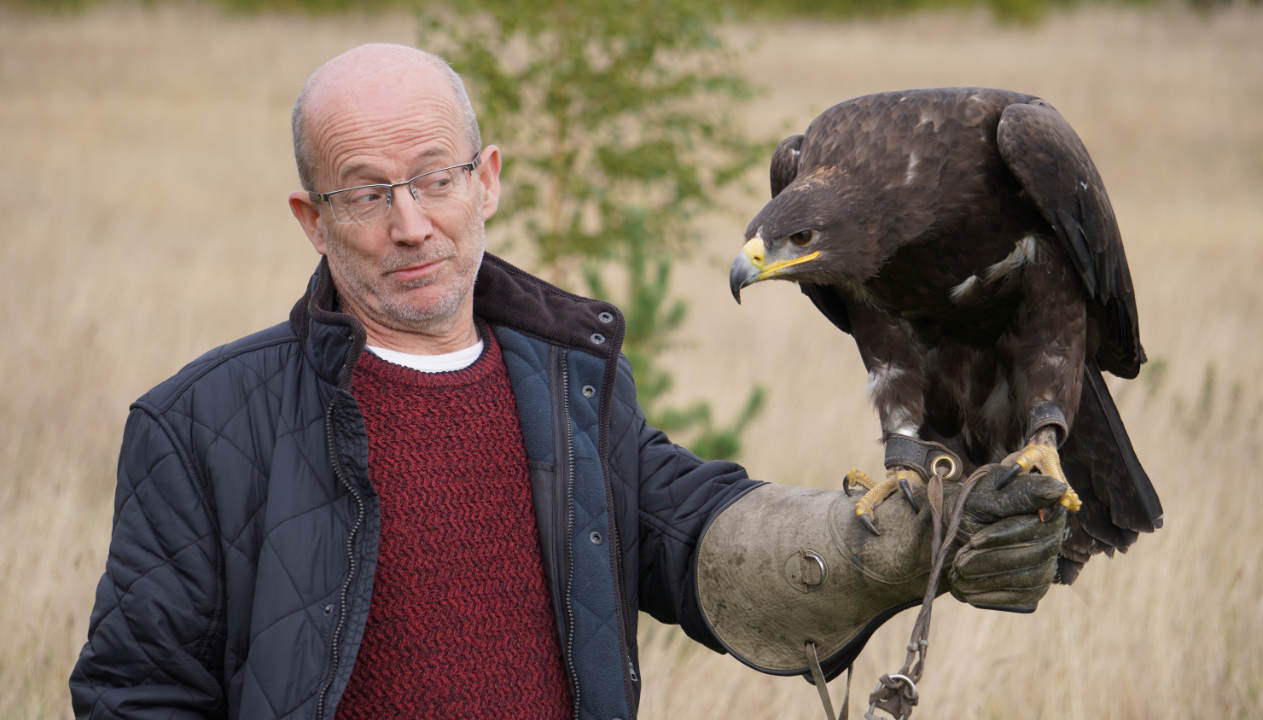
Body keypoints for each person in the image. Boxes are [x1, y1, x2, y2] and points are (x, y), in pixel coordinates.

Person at [69, 43, 1068, 720]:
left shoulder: (575, 387)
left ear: (486, 178)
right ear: (310, 217)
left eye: (434, 177)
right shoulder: (202, 426)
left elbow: (700, 539)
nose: (410, 223)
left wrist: (883, 556)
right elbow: (135, 696)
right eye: (368, 192)